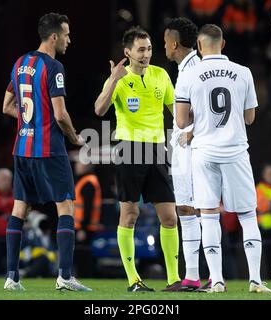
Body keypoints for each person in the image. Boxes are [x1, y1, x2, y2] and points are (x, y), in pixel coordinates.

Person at [175, 24, 271, 293]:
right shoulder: (243, 72)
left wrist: (201, 122)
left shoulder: (190, 74)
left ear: (198, 45)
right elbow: (250, 117)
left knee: (208, 215)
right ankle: (255, 280)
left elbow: (181, 120)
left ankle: (217, 280)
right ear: (223, 44)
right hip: (235, 151)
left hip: (204, 151)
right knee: (247, 215)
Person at [2, 12, 90, 291]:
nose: (69, 39)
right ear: (54, 36)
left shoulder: (20, 63)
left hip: (21, 148)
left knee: (19, 208)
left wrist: (31, 119)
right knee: (65, 206)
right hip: (49, 149)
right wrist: (75, 137)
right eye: (66, 34)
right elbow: (61, 115)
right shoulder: (54, 67)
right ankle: (64, 276)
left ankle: (11, 278)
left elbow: (6, 106)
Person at [94, 26, 180, 292]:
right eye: (141, 50)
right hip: (129, 148)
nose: (146, 54)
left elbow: (177, 111)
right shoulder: (119, 79)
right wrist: (113, 81)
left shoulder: (161, 75)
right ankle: (133, 279)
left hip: (156, 150)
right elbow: (99, 109)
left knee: (169, 217)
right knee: (129, 214)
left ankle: (174, 280)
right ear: (127, 52)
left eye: (150, 49)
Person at [164, 17, 206, 291]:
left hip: (192, 150)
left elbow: (198, 112)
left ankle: (193, 276)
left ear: (175, 43)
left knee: (190, 209)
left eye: (166, 42)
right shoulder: (189, 68)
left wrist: (192, 133)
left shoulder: (191, 72)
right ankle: (203, 274)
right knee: (194, 209)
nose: (164, 47)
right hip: (190, 148)